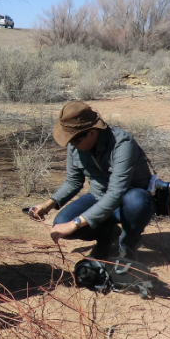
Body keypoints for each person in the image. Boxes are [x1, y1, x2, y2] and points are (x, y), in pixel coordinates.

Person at [30, 101, 154, 260]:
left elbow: (116, 193)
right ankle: (107, 234)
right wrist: (48, 205)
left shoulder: (122, 144)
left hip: (128, 200)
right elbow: (73, 181)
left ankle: (127, 251)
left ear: (92, 133)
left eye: (75, 140)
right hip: (99, 196)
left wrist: (75, 223)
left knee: (136, 201)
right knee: (61, 222)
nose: (72, 145)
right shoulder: (76, 145)